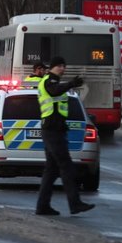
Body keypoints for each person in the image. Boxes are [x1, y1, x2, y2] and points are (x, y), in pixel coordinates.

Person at [35, 56, 95, 216]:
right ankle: (75, 203)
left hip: (55, 129)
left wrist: (70, 85)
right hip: (52, 130)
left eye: (64, 66)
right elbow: (53, 91)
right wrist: (70, 84)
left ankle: (42, 206)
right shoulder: (49, 80)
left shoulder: (55, 82)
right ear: (52, 67)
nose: (62, 68)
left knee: (52, 170)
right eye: (59, 66)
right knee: (66, 166)